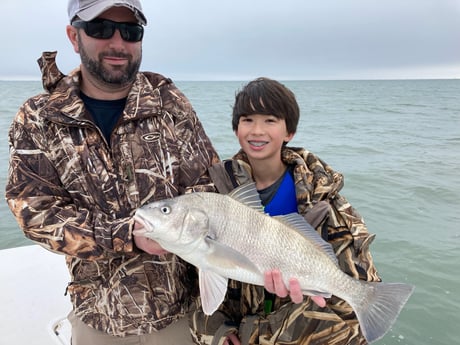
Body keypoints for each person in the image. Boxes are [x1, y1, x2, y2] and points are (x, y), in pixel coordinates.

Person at [5, 0, 222, 344]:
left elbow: (209, 189)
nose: (118, 43)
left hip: (182, 317)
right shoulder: (39, 118)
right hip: (98, 323)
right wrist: (125, 235)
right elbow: (34, 212)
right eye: (101, 28)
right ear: (73, 36)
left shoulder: (169, 103)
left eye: (131, 31)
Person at [189, 77, 382, 345]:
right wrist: (218, 333)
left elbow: (351, 304)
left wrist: (271, 326)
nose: (257, 130)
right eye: (247, 120)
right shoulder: (212, 192)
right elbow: (193, 286)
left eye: (270, 120)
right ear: (236, 129)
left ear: (289, 132)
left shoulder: (325, 200)